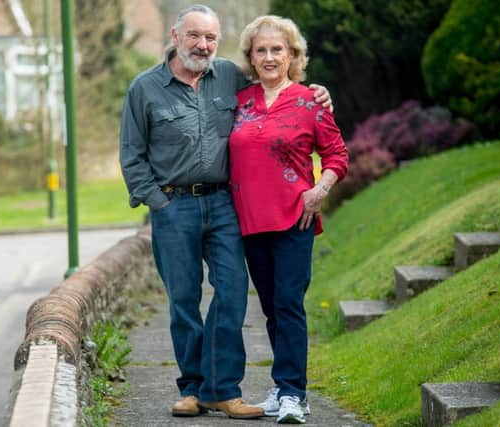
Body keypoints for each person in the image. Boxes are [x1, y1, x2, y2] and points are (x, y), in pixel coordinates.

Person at [119, 4, 332, 420]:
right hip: (172, 204)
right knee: (183, 299)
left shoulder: (232, 78)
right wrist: (157, 202)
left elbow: (281, 84)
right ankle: (192, 387)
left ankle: (223, 389)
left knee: (233, 294)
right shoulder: (144, 88)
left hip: (224, 205)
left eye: (211, 38)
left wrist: (320, 93)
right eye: (195, 36)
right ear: (175, 37)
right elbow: (131, 154)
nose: (203, 45)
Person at [229, 15, 348, 424]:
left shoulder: (310, 101)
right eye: (260, 50)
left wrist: (320, 190)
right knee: (271, 309)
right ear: (250, 56)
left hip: (294, 220)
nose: (268, 57)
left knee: (289, 305)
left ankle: (295, 393)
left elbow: (337, 156)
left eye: (276, 49)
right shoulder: (239, 101)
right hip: (249, 222)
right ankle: (284, 388)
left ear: (292, 55)